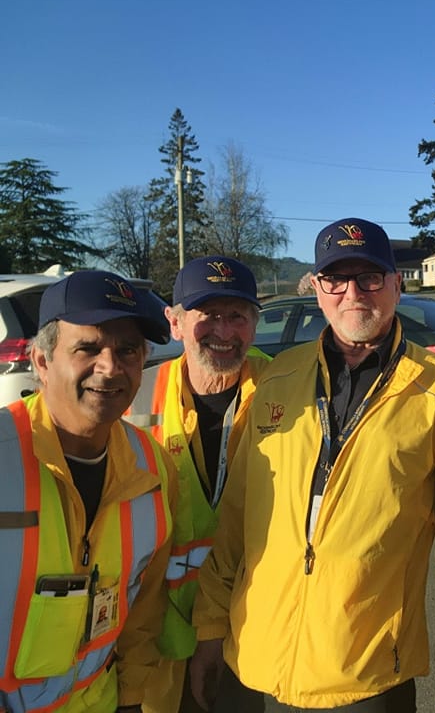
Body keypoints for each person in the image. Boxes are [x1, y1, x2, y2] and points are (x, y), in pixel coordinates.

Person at [190, 218, 435, 712]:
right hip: (253, 663)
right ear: (317, 289)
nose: (353, 292)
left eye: (370, 277)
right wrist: (210, 628)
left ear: (396, 284)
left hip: (367, 678)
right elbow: (236, 525)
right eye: (336, 278)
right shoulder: (280, 379)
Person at [0, 270, 177, 712]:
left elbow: (143, 610)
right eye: (88, 348)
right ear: (42, 361)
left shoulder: (153, 466)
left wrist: (133, 698)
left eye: (127, 351)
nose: (110, 367)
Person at [130, 256, 271, 713]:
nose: (224, 331)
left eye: (237, 316)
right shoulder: (130, 396)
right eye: (207, 315)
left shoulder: (288, 387)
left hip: (253, 629)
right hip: (153, 638)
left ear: (255, 322)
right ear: (174, 322)